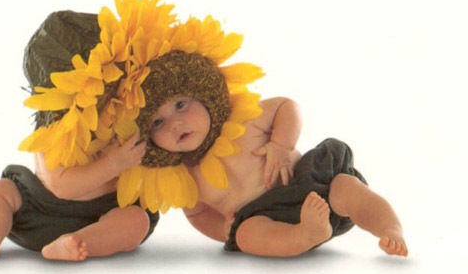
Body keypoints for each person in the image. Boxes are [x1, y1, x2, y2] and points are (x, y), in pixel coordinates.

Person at [0, 11, 160, 262]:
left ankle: (80, 243)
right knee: (1, 190)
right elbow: (61, 186)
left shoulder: (126, 116)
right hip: (41, 211)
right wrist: (113, 164)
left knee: (136, 219)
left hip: (106, 213)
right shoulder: (51, 131)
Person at [148, 94, 408, 258]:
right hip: (266, 217)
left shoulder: (241, 120)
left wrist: (281, 145)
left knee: (346, 187)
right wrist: (222, 230)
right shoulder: (181, 177)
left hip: (311, 184)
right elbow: (198, 215)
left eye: (180, 104)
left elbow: (286, 106)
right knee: (245, 235)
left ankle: (389, 228)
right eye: (157, 123)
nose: (175, 123)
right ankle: (305, 235)